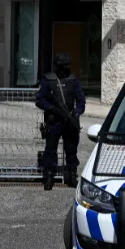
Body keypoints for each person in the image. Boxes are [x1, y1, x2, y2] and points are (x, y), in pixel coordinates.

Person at [35, 53, 86, 191]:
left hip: (70, 121)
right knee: (50, 150)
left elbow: (81, 100)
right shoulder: (49, 80)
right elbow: (39, 100)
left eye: (68, 65)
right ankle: (49, 176)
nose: (67, 68)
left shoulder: (73, 80)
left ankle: (72, 176)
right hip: (54, 121)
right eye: (64, 66)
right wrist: (51, 108)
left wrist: (76, 112)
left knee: (71, 150)